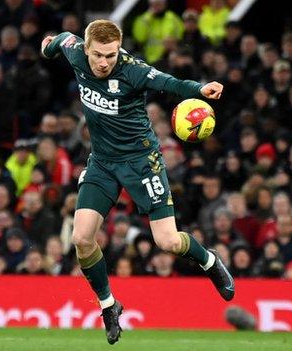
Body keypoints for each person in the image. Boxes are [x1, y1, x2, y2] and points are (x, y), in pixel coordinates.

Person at [41, 20, 232, 344]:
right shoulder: (74, 51)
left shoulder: (133, 71)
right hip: (102, 161)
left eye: (111, 56)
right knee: (82, 238)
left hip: (142, 163)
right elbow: (57, 40)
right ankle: (109, 305)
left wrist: (200, 89)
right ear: (86, 49)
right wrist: (47, 46)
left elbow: (170, 83)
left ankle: (210, 261)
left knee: (168, 242)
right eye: (99, 55)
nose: (104, 63)